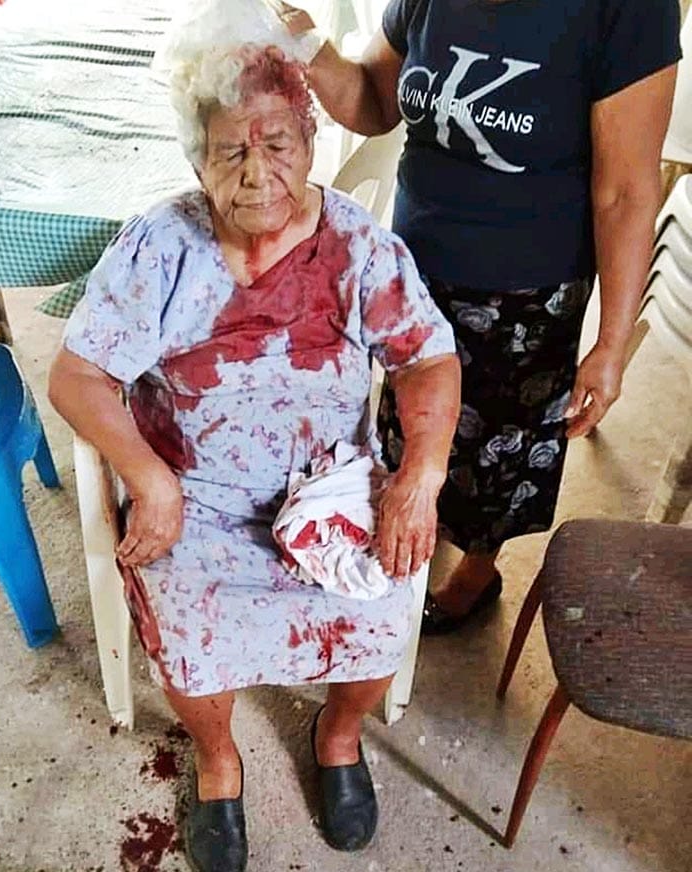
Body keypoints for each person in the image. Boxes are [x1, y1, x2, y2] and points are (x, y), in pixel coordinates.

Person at [48, 37, 459, 872]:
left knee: (383, 605)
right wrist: (150, 481)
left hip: (329, 491)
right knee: (187, 624)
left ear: (310, 141)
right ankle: (218, 760)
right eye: (229, 149)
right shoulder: (161, 245)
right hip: (194, 497)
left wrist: (421, 475)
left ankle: (338, 735)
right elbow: (77, 376)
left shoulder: (357, 247)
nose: (257, 171)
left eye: (277, 142)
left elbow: (426, 359)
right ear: (196, 161)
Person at [278, 0, 682, 633]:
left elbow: (626, 192)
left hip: (524, 294)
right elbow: (374, 103)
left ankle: (476, 572)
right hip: (411, 278)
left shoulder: (626, 11)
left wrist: (611, 342)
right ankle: (416, 533)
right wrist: (309, 47)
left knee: (495, 459)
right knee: (410, 431)